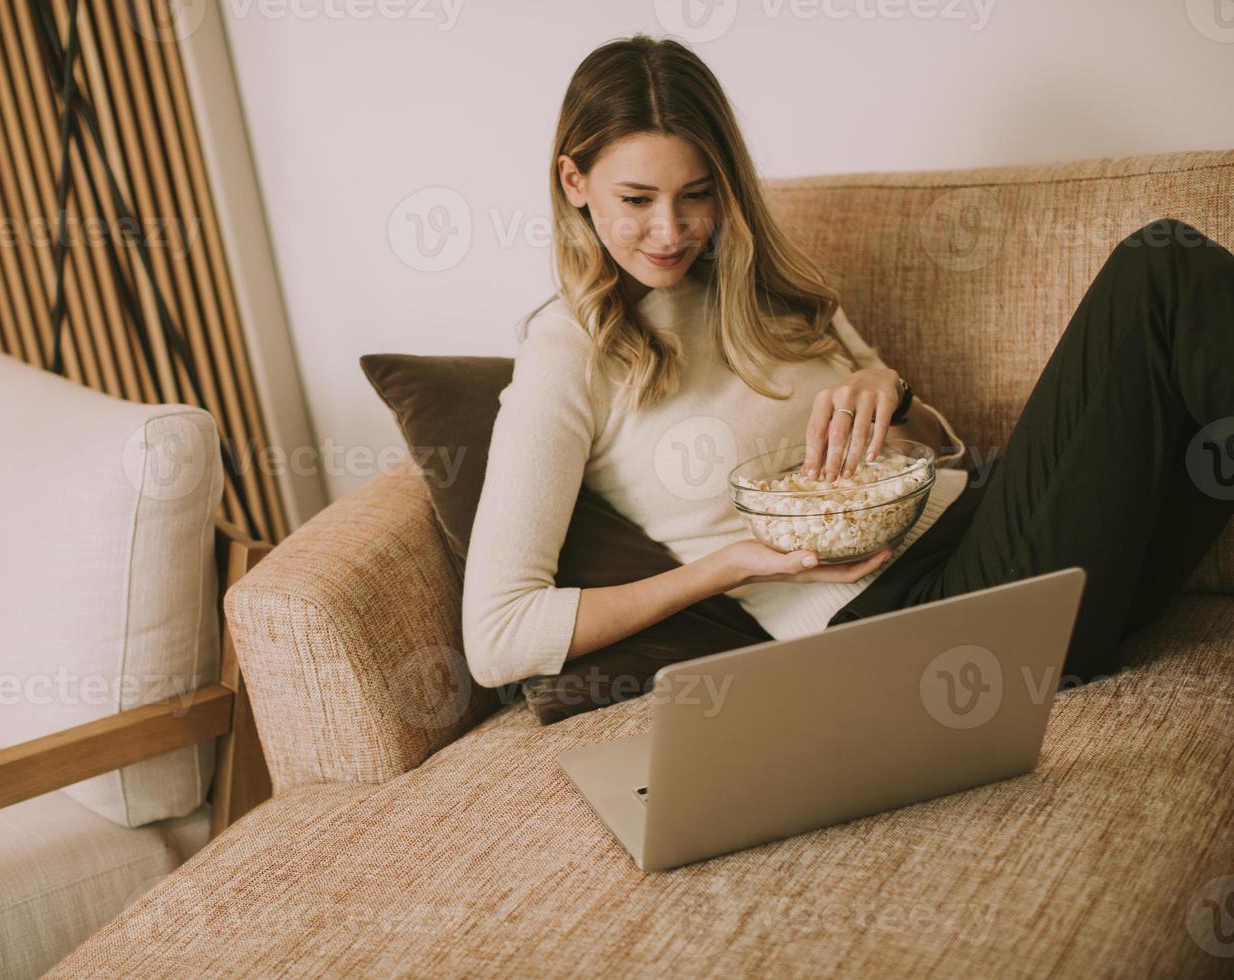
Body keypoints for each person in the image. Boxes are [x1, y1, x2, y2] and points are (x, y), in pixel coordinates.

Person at [460, 33, 1234, 694]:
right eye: (636, 200)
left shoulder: (775, 289)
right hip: (914, 622)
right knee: (1155, 274)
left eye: (696, 194)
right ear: (575, 183)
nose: (671, 230)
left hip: (994, 535)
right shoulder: (567, 352)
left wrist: (891, 394)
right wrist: (727, 566)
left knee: (1187, 320)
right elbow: (497, 636)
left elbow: (939, 447)